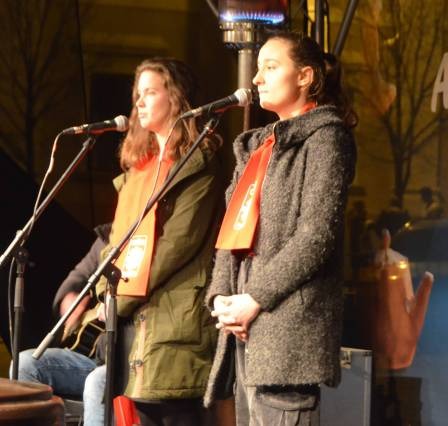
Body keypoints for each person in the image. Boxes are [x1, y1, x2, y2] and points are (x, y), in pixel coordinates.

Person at [203, 30, 357, 425]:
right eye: (257, 69)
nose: (256, 79)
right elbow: (232, 229)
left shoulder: (326, 139)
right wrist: (222, 297)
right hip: (245, 325)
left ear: (305, 76)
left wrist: (254, 298)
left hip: (287, 332)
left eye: (270, 67)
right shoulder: (258, 147)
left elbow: (316, 236)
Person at [91, 57, 224, 425]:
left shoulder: (199, 164)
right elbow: (114, 243)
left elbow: (173, 247)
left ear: (176, 98)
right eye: (138, 94)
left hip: (175, 325)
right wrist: (104, 292)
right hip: (134, 326)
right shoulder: (139, 170)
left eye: (150, 92)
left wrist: (116, 302)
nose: (140, 101)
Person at [17, 224, 110, 426]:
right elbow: (78, 275)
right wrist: (68, 298)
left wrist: (119, 307)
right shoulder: (109, 236)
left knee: (96, 383)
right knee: (25, 364)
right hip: (92, 356)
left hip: (127, 359)